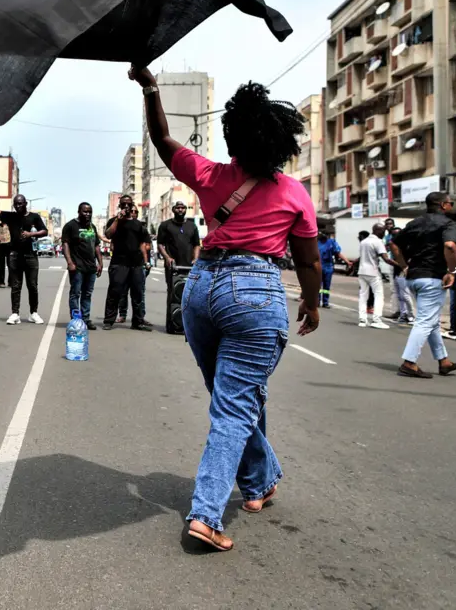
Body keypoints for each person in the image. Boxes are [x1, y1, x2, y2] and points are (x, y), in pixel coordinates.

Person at [131, 66, 321, 552]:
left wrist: (151, 88)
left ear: (234, 138)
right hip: (255, 291)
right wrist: (311, 304)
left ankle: (259, 482)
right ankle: (207, 515)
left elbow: (163, 138)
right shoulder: (295, 193)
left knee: (230, 396)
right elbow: (307, 259)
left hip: (201, 289)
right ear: (281, 143)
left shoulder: (212, 176)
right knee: (234, 404)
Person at [388, 192, 456, 378]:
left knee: (431, 320)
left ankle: (443, 361)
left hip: (413, 278)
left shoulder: (414, 223)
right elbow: (450, 246)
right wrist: (451, 271)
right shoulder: (447, 224)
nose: (452, 206)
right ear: (443, 205)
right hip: (432, 278)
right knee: (424, 321)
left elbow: (393, 245)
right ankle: (409, 362)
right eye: (450, 203)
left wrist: (404, 266)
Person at [0, 191, 48, 324]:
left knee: (32, 286)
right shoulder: (10, 216)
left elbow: (44, 231)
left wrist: (31, 234)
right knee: (15, 286)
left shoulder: (34, 217)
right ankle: (15, 313)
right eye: (16, 204)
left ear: (25, 204)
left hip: (31, 256)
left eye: (20, 203)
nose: (18, 206)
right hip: (14, 255)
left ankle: (33, 313)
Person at [102, 195, 153, 331]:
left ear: (132, 206)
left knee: (137, 294)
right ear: (119, 205)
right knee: (115, 291)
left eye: (128, 204)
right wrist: (118, 220)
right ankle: (108, 320)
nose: (126, 206)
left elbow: (144, 244)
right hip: (119, 263)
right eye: (123, 204)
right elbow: (108, 235)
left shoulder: (138, 224)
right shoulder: (114, 221)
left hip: (136, 264)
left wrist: (146, 261)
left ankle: (137, 321)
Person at [61, 202, 103, 330]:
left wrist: (100, 263)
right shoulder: (70, 226)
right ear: (79, 212)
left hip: (90, 267)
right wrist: (69, 262)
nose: (87, 214)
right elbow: (65, 245)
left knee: (87, 294)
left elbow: (96, 245)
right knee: (75, 293)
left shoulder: (92, 227)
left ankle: (85, 319)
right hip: (77, 266)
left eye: (90, 212)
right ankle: (76, 320)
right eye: (85, 211)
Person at [355, 223, 397, 329]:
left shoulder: (364, 241)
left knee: (363, 296)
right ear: (378, 231)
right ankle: (376, 319)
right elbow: (386, 259)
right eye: (383, 232)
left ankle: (362, 319)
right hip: (373, 272)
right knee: (379, 296)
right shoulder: (378, 242)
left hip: (362, 271)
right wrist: (400, 265)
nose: (384, 234)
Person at [157, 200, 201, 278]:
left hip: (189, 265)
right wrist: (167, 258)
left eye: (182, 208)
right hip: (172, 265)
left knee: (188, 289)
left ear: (185, 209)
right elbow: (160, 244)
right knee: (173, 289)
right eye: (178, 208)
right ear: (173, 210)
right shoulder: (165, 225)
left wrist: (196, 259)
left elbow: (197, 245)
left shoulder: (192, 226)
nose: (180, 209)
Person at [383, 219, 415, 324]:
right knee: (399, 294)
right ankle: (403, 314)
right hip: (397, 270)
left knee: (405, 294)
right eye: (393, 235)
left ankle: (411, 315)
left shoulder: (407, 246)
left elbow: (409, 259)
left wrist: (404, 267)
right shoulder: (393, 245)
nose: (394, 237)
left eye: (397, 234)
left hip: (403, 271)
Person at [317, 232, 350, 309]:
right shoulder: (316, 243)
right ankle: (317, 301)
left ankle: (325, 302)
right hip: (319, 266)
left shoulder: (331, 242)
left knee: (326, 286)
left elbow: (338, 253)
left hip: (328, 267)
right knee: (318, 286)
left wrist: (347, 261)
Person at [0, 221, 11, 287]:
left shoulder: (10, 226)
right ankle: (1, 282)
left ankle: (10, 282)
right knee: (1, 265)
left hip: (9, 247)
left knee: (11, 265)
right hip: (0, 247)